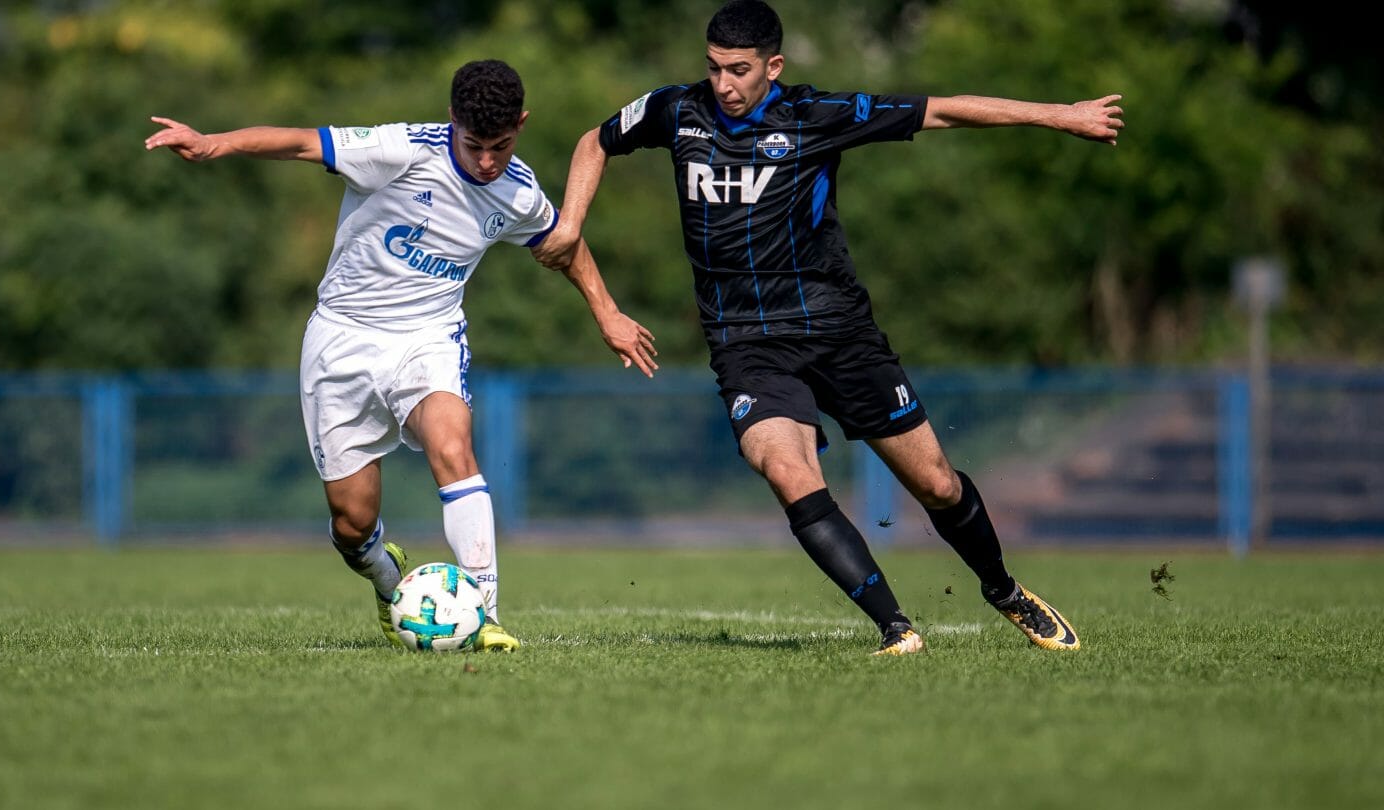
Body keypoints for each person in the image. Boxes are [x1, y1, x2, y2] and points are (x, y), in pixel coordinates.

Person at [536, 1, 1123, 654]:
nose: (723, 85)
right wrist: (570, 223)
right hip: (745, 344)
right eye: (714, 68)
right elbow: (595, 140)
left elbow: (945, 109)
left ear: (774, 67)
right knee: (786, 470)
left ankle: (1004, 591)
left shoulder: (815, 116)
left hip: (839, 333)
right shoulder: (679, 110)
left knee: (936, 484)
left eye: (738, 71)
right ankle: (897, 630)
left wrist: (1060, 116)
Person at [146, 59, 658, 652]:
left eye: (501, 145)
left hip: (429, 338)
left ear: (520, 125)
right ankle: (387, 578)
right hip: (341, 340)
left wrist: (607, 313)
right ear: (451, 122)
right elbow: (301, 142)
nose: (487, 161)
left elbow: (563, 245)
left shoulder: (517, 190)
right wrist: (217, 144)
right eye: (474, 145)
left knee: (452, 446)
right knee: (351, 522)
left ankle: (483, 616)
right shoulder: (400, 150)